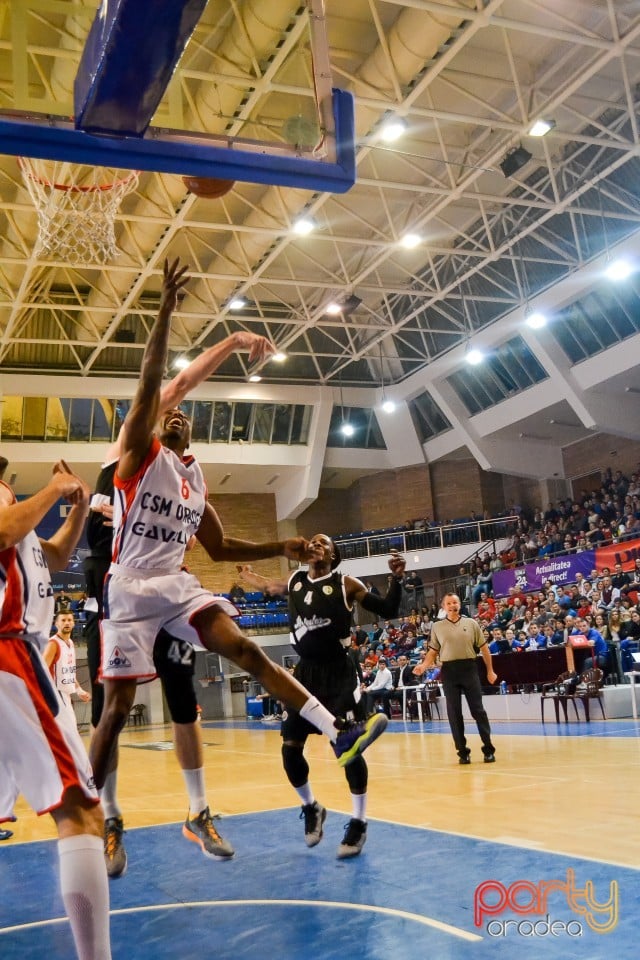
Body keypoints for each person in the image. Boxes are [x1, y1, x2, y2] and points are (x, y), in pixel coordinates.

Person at [89, 258, 386, 863]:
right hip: (127, 590)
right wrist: (168, 312)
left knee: (246, 649)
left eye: (182, 416)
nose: (176, 413)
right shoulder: (136, 458)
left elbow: (222, 549)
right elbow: (154, 380)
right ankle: (86, 811)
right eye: (167, 414)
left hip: (175, 585)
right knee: (116, 710)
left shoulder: (195, 482)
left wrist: (282, 545)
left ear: (191, 435)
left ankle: (341, 731)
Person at [84, 324, 297, 877]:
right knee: (109, 715)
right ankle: (108, 819)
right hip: (112, 600)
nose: (167, 407)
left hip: (163, 597)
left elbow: (180, 382)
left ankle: (199, 810)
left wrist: (231, 342)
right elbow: (166, 385)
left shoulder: (170, 470)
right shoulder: (123, 454)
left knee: (182, 700)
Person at [0, 461, 112, 960]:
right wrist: (54, 488)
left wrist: (80, 505)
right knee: (83, 813)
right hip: (10, 651)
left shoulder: (20, 525)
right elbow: (3, 529)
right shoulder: (6, 503)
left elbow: (57, 552)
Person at [238, 537, 405, 858]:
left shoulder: (346, 584)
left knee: (347, 749)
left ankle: (359, 821)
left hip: (339, 673)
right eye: (312, 540)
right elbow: (269, 586)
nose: (315, 543)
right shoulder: (295, 580)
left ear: (332, 554)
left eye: (323, 542)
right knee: (289, 749)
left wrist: (396, 579)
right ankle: (311, 807)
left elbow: (387, 609)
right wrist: (247, 574)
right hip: (305, 674)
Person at [414, 593, 497, 764]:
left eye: (455, 602)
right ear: (443, 607)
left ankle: (488, 748)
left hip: (469, 668)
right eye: (449, 603)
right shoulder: (437, 627)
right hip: (449, 671)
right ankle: (462, 752)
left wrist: (490, 671)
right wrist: (423, 665)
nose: (452, 605)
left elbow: (484, 649)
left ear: (460, 604)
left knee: (478, 710)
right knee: (454, 713)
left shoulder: (471, 623)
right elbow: (433, 651)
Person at [44, 610, 90, 723]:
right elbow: (41, 671)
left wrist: (79, 690)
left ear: (74, 623)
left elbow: (70, 673)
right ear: (56, 624)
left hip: (65, 694)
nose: (67, 623)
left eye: (69, 620)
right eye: (63, 620)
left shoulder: (70, 643)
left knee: (69, 731)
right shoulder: (53, 644)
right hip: (55, 694)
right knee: (70, 730)